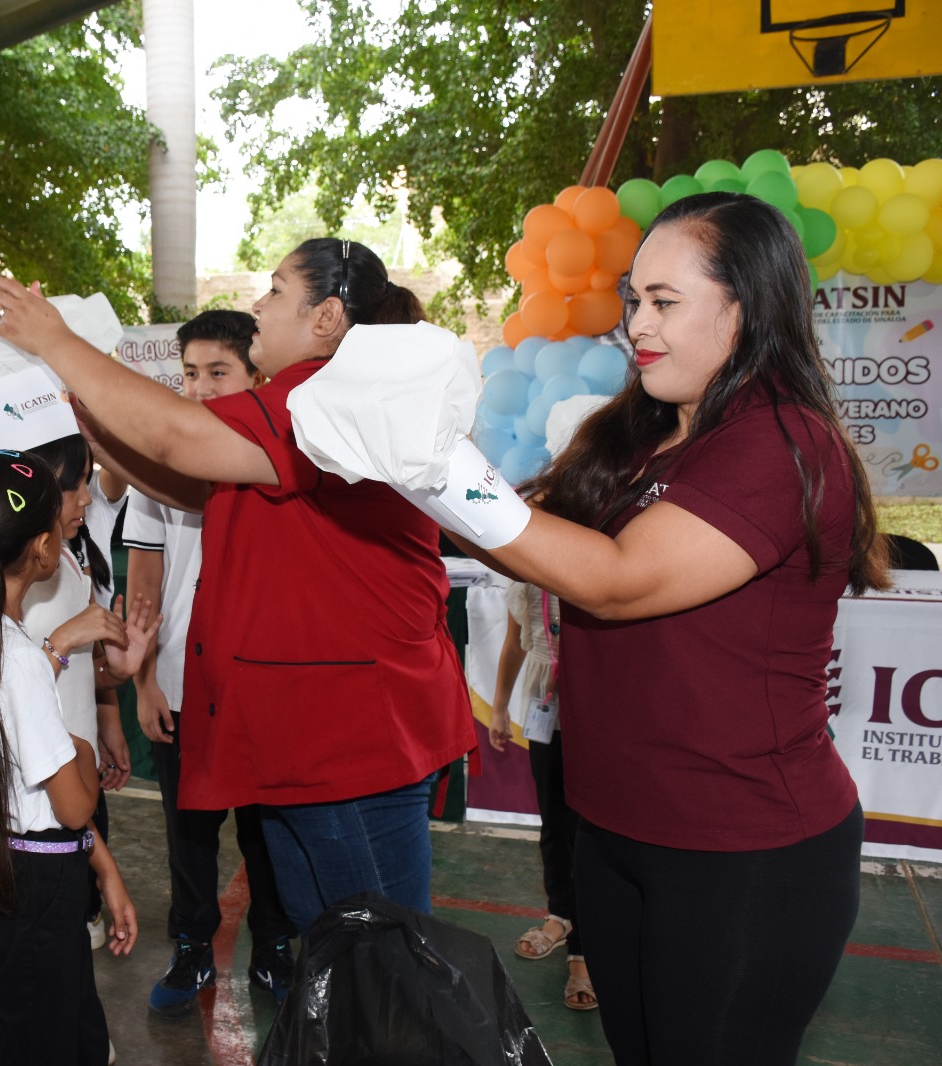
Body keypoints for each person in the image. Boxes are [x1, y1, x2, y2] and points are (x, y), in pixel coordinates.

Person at [351, 192, 887, 1064]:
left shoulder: (782, 441)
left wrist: (439, 469)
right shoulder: (638, 432)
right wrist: (391, 452)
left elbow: (617, 582)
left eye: (665, 302)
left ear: (746, 307)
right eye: (635, 299)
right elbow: (520, 533)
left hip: (739, 851)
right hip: (618, 831)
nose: (637, 323)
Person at [0, 240, 476, 935]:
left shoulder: (330, 396)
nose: (257, 307)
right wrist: (93, 424)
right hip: (310, 735)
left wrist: (56, 341)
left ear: (326, 317)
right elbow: (189, 483)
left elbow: (180, 440)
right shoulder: (297, 399)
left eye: (274, 291)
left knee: (381, 954)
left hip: (352, 737)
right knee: (336, 944)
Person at [0, 451, 138, 1066]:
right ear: (44, 548)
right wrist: (81, 746)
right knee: (51, 1044)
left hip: (10, 873)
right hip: (37, 889)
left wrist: (106, 870)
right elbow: (72, 805)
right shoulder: (15, 658)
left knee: (69, 1035)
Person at [124, 310, 296, 1012]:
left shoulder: (276, 457)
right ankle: (191, 946)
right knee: (187, 829)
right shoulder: (157, 467)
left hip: (258, 684)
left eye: (216, 372)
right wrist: (143, 682)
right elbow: (143, 582)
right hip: (179, 684)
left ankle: (276, 944)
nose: (197, 389)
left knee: (267, 830)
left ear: (258, 377)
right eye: (189, 374)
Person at [487, 581, 593, 1011]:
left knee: (592, 835)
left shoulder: (598, 566)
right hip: (545, 707)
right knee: (554, 823)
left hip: (598, 711)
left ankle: (584, 953)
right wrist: (498, 707)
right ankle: (560, 915)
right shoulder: (528, 581)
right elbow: (514, 645)